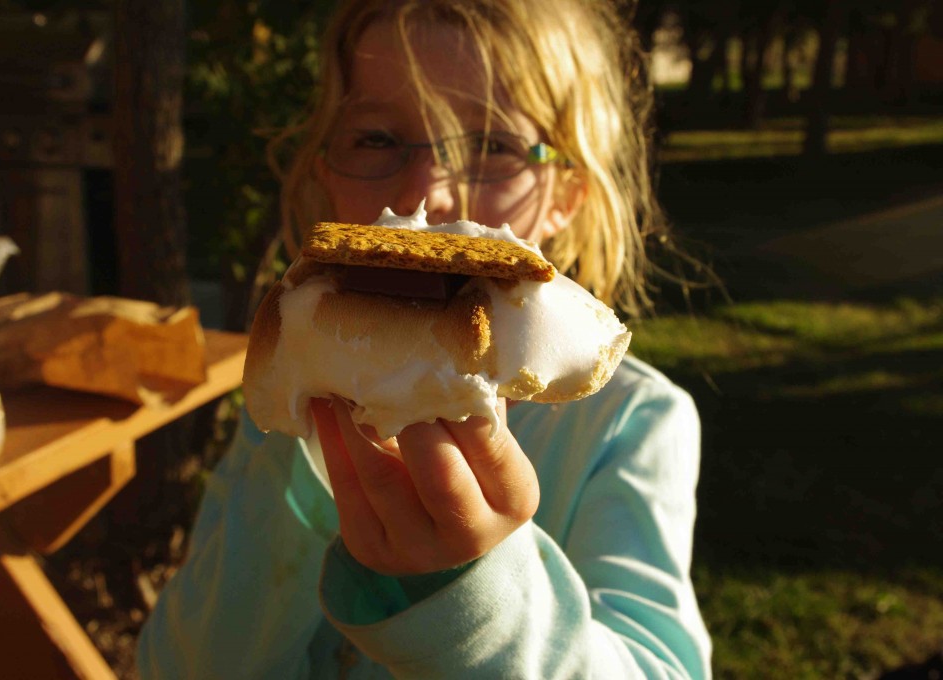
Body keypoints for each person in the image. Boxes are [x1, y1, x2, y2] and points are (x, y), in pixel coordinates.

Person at [137, 0, 712, 677]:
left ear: (565, 195)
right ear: (326, 171)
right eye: (377, 138)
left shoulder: (629, 424)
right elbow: (180, 666)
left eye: (495, 145)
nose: (428, 192)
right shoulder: (288, 404)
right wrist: (304, 475)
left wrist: (478, 597)